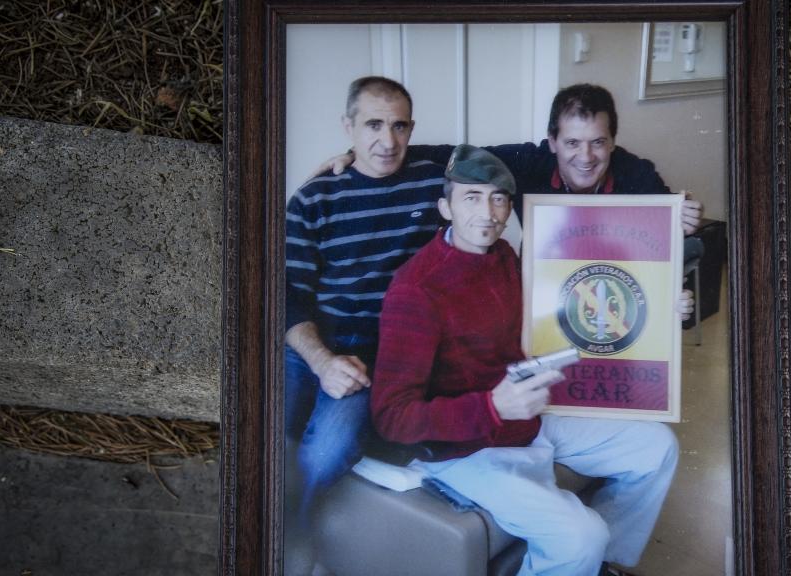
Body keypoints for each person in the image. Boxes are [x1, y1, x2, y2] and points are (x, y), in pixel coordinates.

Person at [371, 145, 691, 576]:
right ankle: (583, 555)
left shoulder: (503, 254)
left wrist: (660, 306)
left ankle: (601, 564)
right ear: (445, 207)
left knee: (657, 449)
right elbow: (392, 418)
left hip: (530, 416)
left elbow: (568, 307)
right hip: (464, 449)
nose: (487, 212)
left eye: (498, 198)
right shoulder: (416, 290)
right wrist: (491, 407)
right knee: (580, 535)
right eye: (471, 198)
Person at [283, 76, 446, 555]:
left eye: (399, 126)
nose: (387, 140)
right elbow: (288, 296)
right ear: (348, 128)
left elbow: (519, 161)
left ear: (412, 129)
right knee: (262, 432)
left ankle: (288, 540)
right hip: (312, 339)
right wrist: (320, 362)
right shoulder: (314, 198)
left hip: (380, 350)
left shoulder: (435, 184)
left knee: (325, 450)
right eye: (373, 125)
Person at [318, 83, 705, 236]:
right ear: (551, 141)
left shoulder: (638, 174)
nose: (585, 157)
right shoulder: (525, 162)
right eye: (572, 142)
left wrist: (684, 223)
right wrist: (360, 153)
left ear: (613, 142)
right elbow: (451, 155)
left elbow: (672, 242)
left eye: (598, 143)